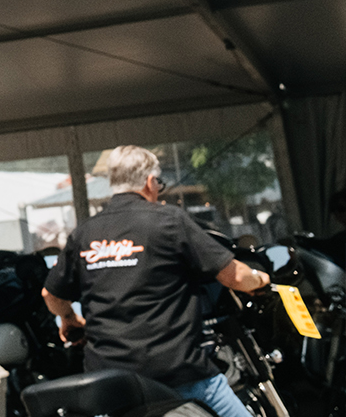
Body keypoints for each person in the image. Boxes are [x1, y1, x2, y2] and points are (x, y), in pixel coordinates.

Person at [42, 146, 271, 417]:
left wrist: (69, 318)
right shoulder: (169, 221)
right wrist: (261, 279)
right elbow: (235, 276)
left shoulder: (84, 232)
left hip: (112, 387)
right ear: (150, 182)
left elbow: (51, 295)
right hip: (180, 377)